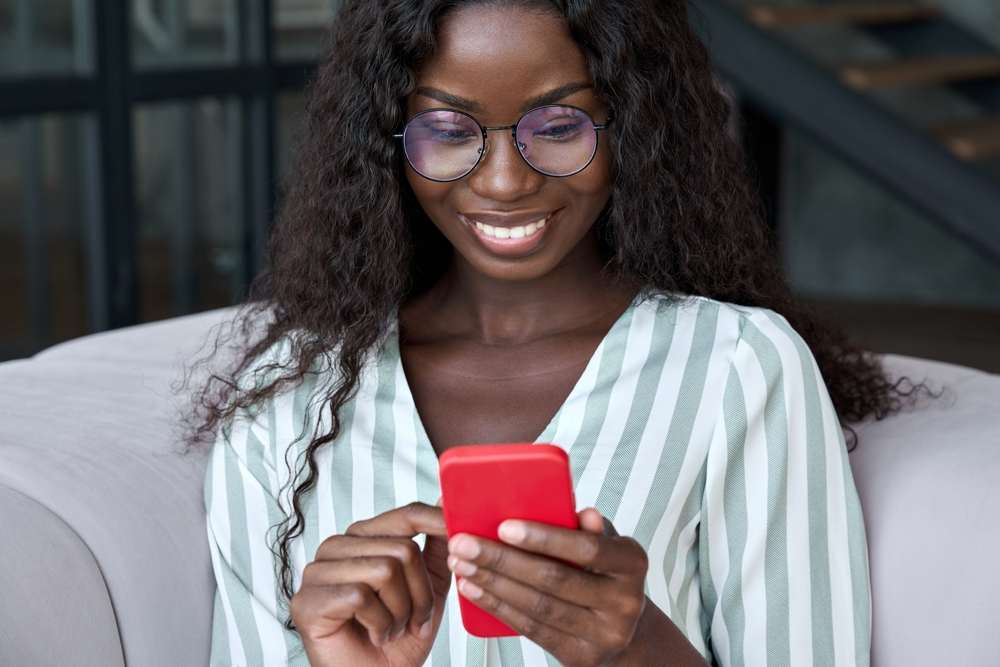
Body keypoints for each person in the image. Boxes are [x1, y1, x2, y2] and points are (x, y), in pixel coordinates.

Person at [181, 1, 938, 665]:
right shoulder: (285, 402)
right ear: (384, 138)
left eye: (560, 125)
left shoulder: (738, 366)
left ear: (633, 127)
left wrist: (636, 644)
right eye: (447, 129)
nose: (506, 180)